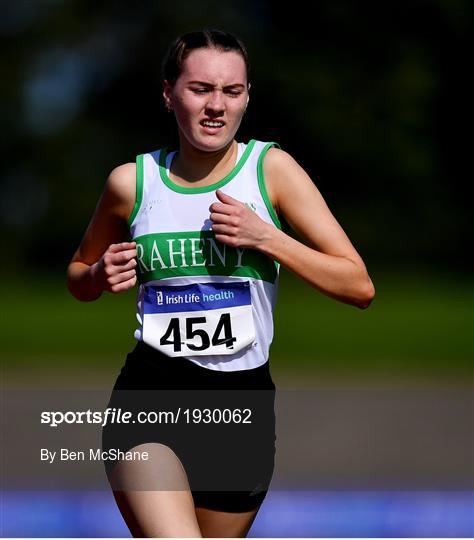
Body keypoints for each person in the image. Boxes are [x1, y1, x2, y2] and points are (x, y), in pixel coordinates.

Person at [67, 28, 375, 538]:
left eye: (232, 92)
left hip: (243, 409)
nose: (216, 106)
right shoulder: (131, 182)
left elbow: (358, 285)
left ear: (247, 98)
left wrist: (268, 238)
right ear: (169, 94)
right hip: (152, 395)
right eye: (200, 89)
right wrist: (98, 276)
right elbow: (79, 274)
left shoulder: (271, 171)